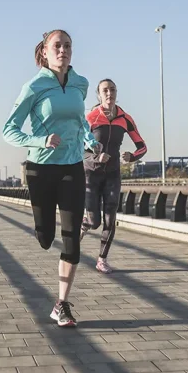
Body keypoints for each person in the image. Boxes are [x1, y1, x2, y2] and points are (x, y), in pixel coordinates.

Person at [3, 29, 102, 328]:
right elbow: (9, 130)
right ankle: (43, 231)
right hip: (41, 170)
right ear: (45, 52)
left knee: (71, 242)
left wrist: (90, 141)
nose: (63, 50)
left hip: (72, 167)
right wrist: (40, 140)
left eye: (68, 46)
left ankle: (61, 305)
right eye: (57, 46)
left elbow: (80, 121)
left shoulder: (80, 84)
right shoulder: (34, 87)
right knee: (46, 238)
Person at [80, 79, 147, 273]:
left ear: (116, 93)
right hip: (91, 174)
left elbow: (142, 146)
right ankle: (85, 224)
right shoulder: (91, 118)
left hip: (113, 175)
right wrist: (96, 157)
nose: (109, 93)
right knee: (95, 222)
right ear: (99, 95)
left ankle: (102, 259)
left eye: (113, 90)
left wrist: (132, 157)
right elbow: (78, 149)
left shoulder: (125, 119)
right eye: (105, 90)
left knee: (110, 219)